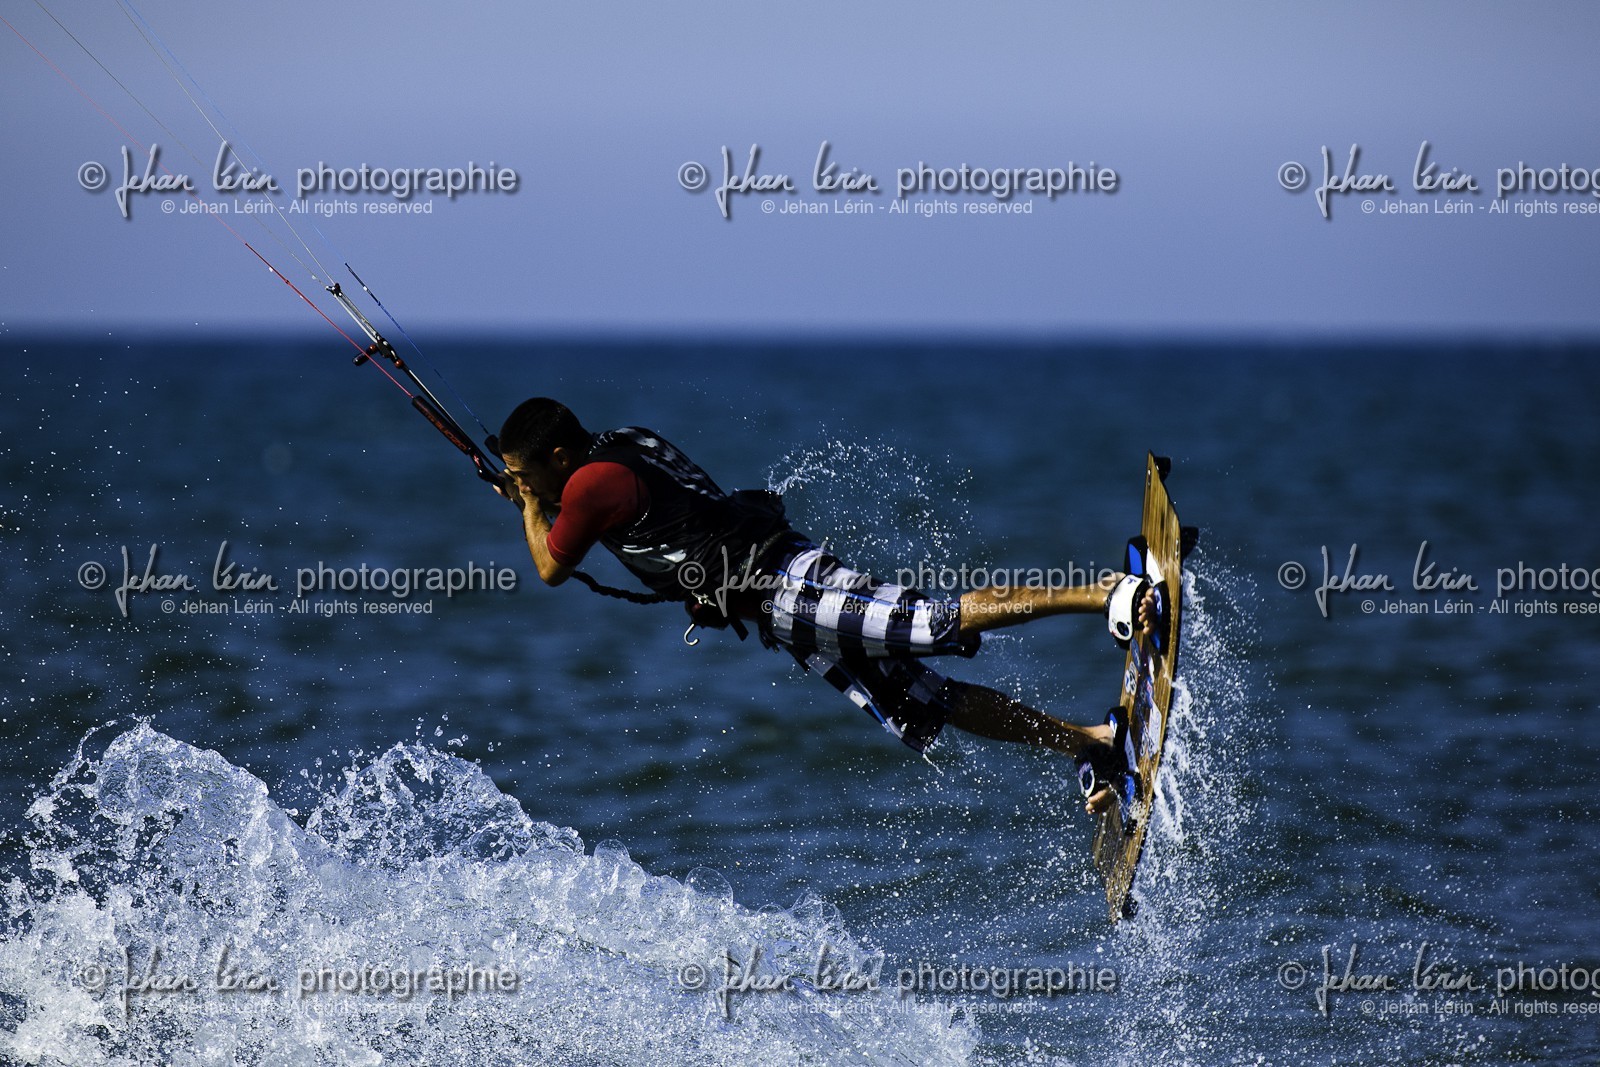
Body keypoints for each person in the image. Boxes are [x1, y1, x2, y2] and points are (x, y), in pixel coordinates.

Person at [493, 398, 1159, 815]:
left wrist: (528, 508)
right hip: (776, 602)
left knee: (932, 621)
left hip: (787, 584)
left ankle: (1105, 591)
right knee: (933, 701)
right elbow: (648, 520)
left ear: (557, 457)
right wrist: (542, 501)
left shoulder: (589, 484)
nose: (525, 487)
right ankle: (1093, 741)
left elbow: (552, 565)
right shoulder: (619, 446)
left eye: (526, 474)